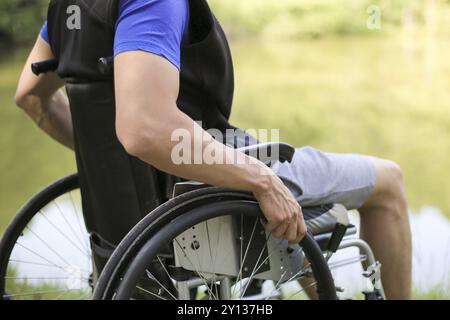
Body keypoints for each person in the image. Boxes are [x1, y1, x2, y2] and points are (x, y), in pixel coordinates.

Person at [14, 0, 411, 299]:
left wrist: (112, 164)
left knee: (297, 221)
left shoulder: (69, 10)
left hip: (128, 224)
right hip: (207, 188)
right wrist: (261, 180)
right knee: (388, 181)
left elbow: (31, 98)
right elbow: (142, 128)